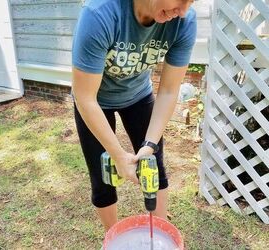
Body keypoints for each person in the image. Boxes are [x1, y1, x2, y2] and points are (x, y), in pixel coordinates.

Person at [72, 0, 197, 232]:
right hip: (95, 101)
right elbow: (85, 97)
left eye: (192, 1)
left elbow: (169, 91)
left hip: (139, 95)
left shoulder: (184, 22)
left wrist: (149, 145)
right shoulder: (99, 14)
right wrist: (118, 155)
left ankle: (159, 234)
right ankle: (114, 237)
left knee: (154, 166)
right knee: (103, 177)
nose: (184, 10)